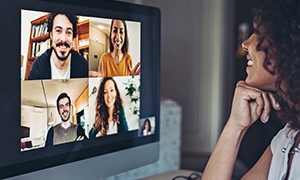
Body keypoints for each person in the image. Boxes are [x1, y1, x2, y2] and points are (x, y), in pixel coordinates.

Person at [202, 0, 300, 179]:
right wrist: (235, 126)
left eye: (260, 33)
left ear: (290, 45)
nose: (245, 43)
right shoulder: (289, 137)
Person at [28, 12, 88, 80]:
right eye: (58, 31)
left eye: (68, 32)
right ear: (51, 35)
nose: (63, 39)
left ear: (73, 37)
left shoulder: (83, 65)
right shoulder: (38, 67)